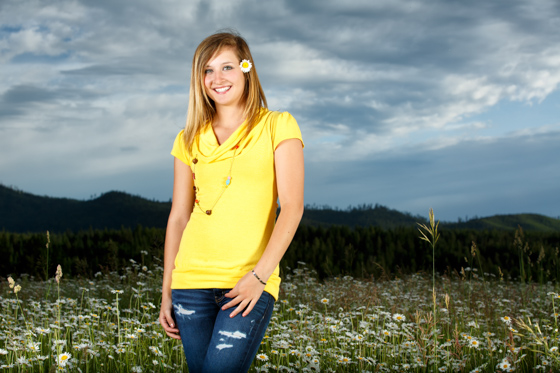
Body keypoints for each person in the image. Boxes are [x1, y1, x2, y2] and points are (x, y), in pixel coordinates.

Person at [158, 31, 305, 373]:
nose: (217, 78)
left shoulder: (278, 126)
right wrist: (167, 291)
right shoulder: (188, 138)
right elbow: (179, 217)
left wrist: (259, 276)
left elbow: (292, 208)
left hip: (248, 282)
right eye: (207, 70)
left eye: (227, 67)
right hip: (189, 284)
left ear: (246, 68)